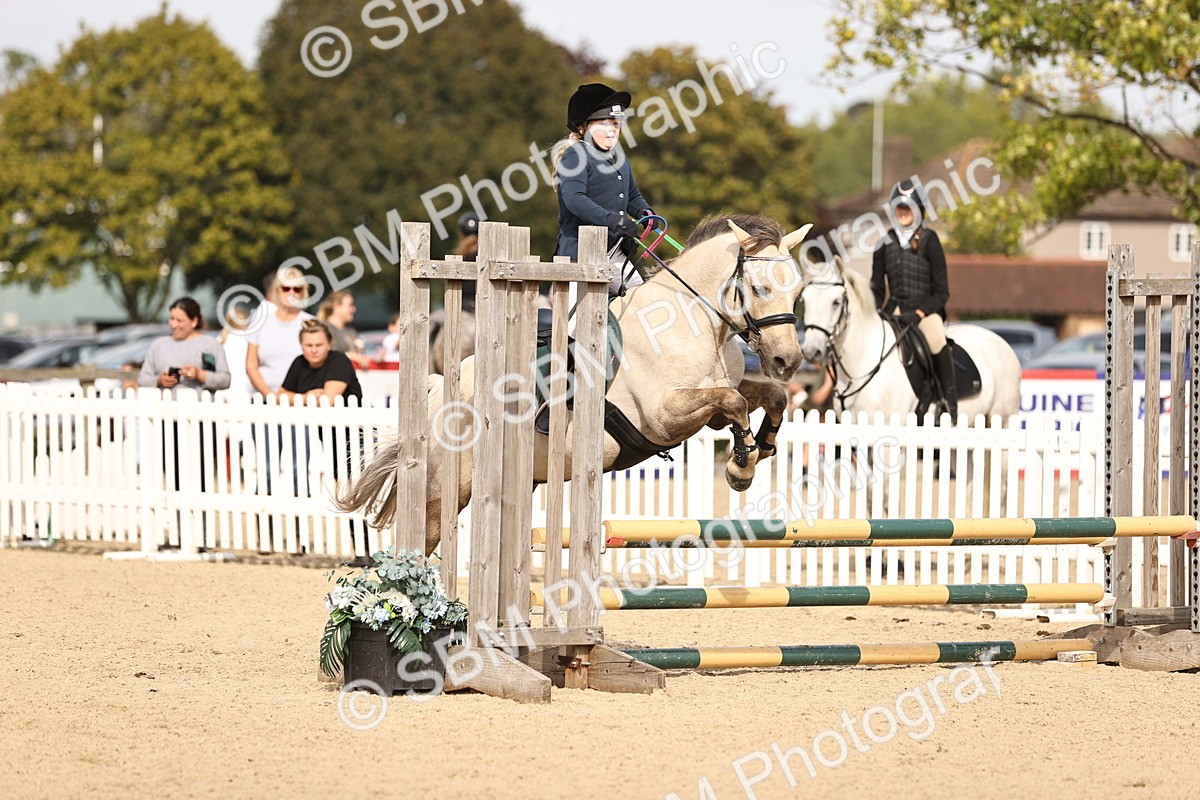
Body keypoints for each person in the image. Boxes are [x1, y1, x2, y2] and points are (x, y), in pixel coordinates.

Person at [552, 82, 654, 294]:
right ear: (584, 127)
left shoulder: (619, 157)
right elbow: (575, 199)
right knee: (579, 322)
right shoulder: (575, 156)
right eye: (605, 125)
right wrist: (613, 220)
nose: (612, 131)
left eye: (616, 125)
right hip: (579, 255)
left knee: (639, 298)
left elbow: (632, 196)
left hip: (614, 253)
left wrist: (646, 213)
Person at [870, 178, 956, 420]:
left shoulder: (930, 240)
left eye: (908, 208)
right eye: (899, 208)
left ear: (919, 211)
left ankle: (948, 402)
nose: (903, 213)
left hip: (925, 311)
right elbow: (877, 286)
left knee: (937, 340)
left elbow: (942, 292)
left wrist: (920, 313)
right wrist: (874, 311)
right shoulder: (884, 242)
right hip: (894, 309)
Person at [138, 297, 231, 396]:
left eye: (179, 320)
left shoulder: (210, 344)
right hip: (164, 408)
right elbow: (142, 379)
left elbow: (225, 380)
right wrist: (159, 381)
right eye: (171, 319)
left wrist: (199, 375)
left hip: (200, 408)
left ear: (194, 321)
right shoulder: (158, 345)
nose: (174, 324)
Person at [246, 267, 315, 395]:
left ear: (303, 293)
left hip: (301, 399)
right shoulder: (260, 322)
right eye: (286, 288)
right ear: (277, 290)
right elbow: (251, 366)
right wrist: (269, 395)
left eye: (297, 289)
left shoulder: (311, 323)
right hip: (262, 399)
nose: (291, 293)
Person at [279, 319, 363, 405]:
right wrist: (304, 397)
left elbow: (326, 401)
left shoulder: (340, 361)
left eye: (319, 345)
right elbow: (279, 397)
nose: (314, 350)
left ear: (329, 344)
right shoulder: (299, 362)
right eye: (309, 345)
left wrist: (294, 398)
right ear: (301, 345)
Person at [318, 290, 371, 368]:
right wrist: (351, 356)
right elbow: (325, 354)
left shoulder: (351, 331)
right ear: (336, 306)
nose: (354, 309)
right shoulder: (324, 328)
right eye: (350, 305)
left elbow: (360, 353)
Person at [453, 212, 481, 312]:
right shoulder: (484, 258)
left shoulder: (458, 258)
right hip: (481, 306)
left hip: (460, 307)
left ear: (461, 235)